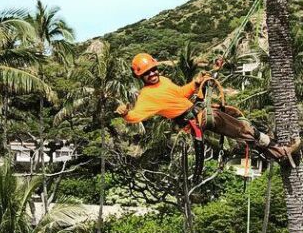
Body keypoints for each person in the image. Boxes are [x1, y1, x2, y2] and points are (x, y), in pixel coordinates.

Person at [116, 52, 300, 164]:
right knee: (241, 129)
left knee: (237, 118)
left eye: (154, 69)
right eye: (147, 73)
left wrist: (197, 82)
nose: (152, 74)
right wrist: (125, 113)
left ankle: (274, 153)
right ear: (140, 76)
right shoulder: (146, 96)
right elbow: (135, 116)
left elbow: (180, 93)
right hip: (196, 120)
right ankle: (281, 151)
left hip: (199, 112)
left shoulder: (163, 81)